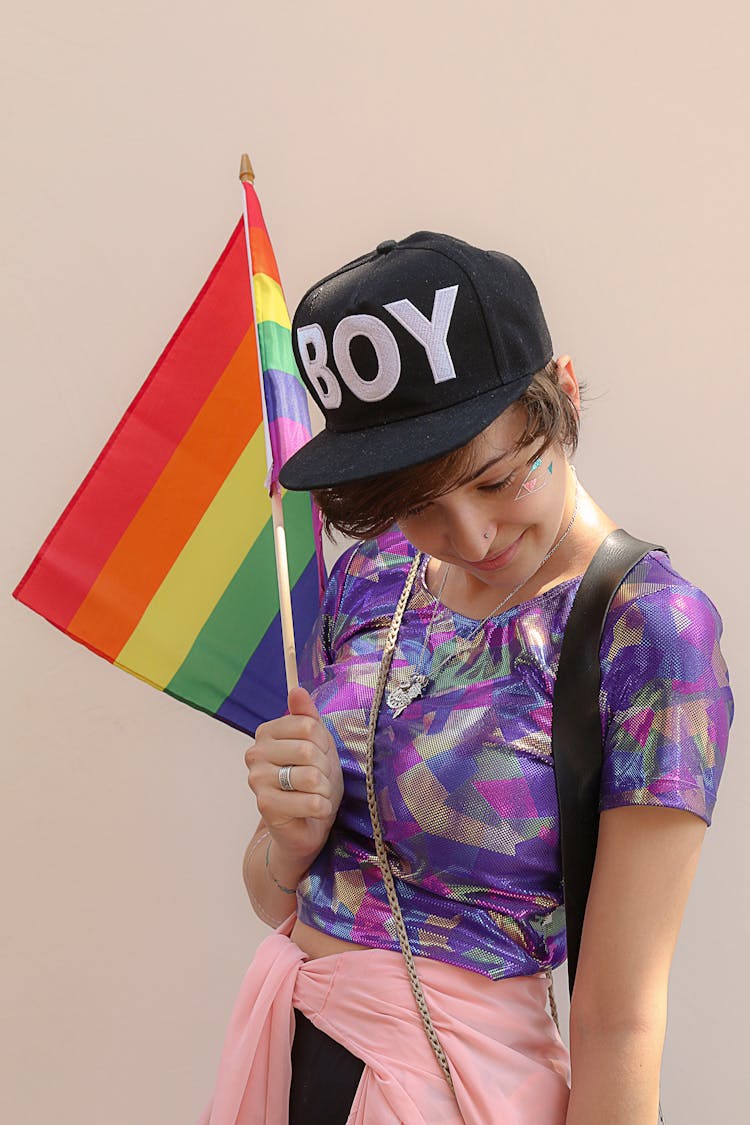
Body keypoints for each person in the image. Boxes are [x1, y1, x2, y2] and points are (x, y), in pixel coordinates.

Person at [198, 232, 733, 1125]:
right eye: (417, 505)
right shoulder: (370, 579)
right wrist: (287, 842)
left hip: (461, 1089)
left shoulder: (648, 631)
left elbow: (621, 1015)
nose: (473, 535)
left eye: (496, 479)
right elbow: (274, 894)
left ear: (561, 393)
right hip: (285, 1058)